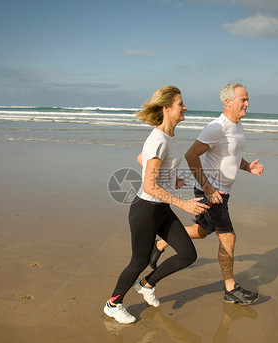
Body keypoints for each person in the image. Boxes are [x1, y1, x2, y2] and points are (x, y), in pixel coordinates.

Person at [150, 82, 264, 305]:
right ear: (228, 102)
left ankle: (161, 243)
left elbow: (230, 156)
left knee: (201, 231)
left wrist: (248, 166)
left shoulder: (237, 126)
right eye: (243, 100)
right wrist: (208, 187)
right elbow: (191, 155)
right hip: (212, 193)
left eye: (247, 99)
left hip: (222, 192)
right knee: (228, 237)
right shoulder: (216, 128)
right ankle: (230, 288)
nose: (247, 104)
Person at [104, 86, 210, 324]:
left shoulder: (169, 137)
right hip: (145, 210)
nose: (184, 107)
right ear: (166, 108)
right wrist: (184, 204)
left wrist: (171, 178)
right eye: (180, 103)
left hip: (161, 210)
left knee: (187, 254)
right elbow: (150, 187)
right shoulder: (158, 139)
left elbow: (142, 159)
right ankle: (113, 303)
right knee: (139, 261)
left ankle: (147, 284)